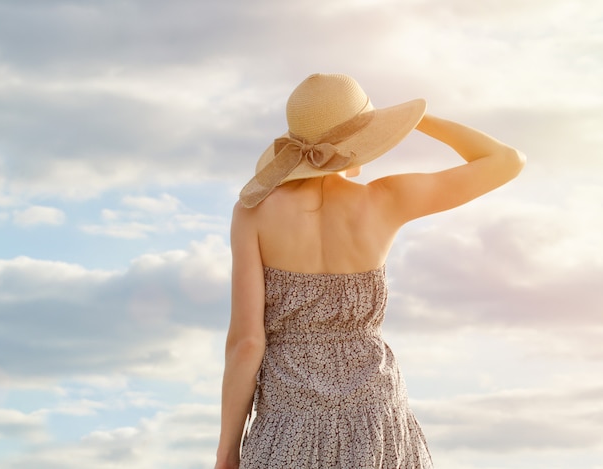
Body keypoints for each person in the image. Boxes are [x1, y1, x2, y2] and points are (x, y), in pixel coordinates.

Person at [215, 73, 525, 469]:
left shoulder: (252, 211)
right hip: (375, 417)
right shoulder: (386, 199)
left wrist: (228, 451)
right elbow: (507, 161)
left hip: (287, 421)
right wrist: (415, 119)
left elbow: (246, 343)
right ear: (366, 138)